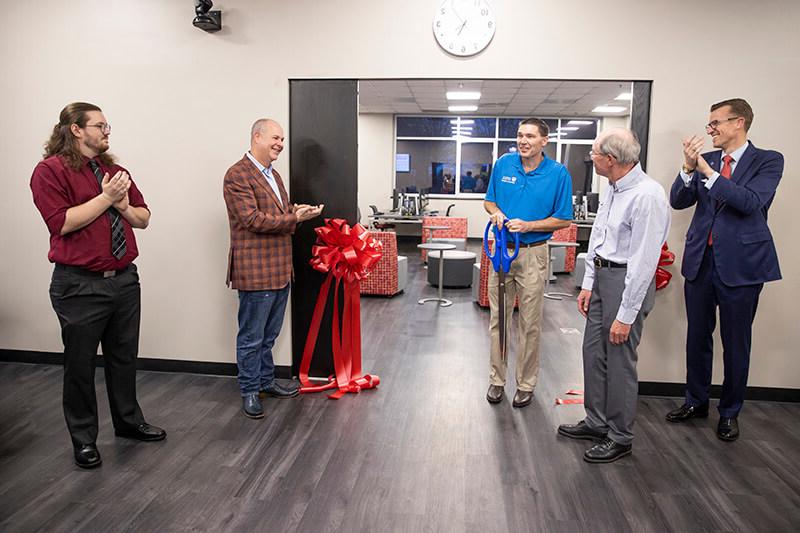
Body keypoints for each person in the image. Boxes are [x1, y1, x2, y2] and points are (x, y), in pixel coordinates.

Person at [30, 102, 166, 469]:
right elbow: (61, 223)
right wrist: (106, 198)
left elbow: (143, 218)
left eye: (108, 126)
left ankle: (128, 422)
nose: (108, 131)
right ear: (76, 129)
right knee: (80, 365)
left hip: (123, 281)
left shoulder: (115, 171)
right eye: (101, 125)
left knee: (123, 359)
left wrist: (120, 203)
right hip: (79, 285)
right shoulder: (49, 171)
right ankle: (84, 440)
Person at [666, 99, 783, 441]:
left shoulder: (768, 160)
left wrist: (706, 172)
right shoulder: (707, 162)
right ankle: (696, 401)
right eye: (710, 123)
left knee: (736, 342)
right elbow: (678, 200)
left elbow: (749, 202)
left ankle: (729, 412)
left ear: (739, 123)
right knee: (697, 337)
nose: (711, 129)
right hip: (701, 262)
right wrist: (688, 169)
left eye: (716, 123)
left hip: (743, 267)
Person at [557, 128, 669, 463]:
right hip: (603, 278)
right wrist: (588, 282)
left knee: (620, 361)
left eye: (593, 153)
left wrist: (626, 313)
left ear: (611, 159)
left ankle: (620, 436)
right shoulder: (613, 188)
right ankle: (596, 421)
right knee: (593, 353)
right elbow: (599, 239)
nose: (590, 158)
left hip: (626, 283)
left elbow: (644, 261)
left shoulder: (648, 196)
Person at [223, 118, 323, 419]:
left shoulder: (274, 176)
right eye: (275, 138)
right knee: (252, 337)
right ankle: (250, 390)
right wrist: (295, 220)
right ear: (257, 137)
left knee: (269, 335)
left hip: (280, 268)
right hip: (256, 270)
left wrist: (297, 212)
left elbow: (277, 216)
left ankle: (266, 382)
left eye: (282, 139)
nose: (280, 144)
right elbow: (252, 220)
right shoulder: (237, 174)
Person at [483, 118, 573, 408]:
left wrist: (530, 226)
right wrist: (495, 213)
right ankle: (497, 380)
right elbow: (490, 201)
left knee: (530, 323)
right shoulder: (504, 164)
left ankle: (526, 384)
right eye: (520, 135)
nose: (523, 141)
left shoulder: (558, 174)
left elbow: (563, 218)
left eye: (530, 136)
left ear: (544, 141)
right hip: (501, 252)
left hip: (534, 253)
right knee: (499, 319)